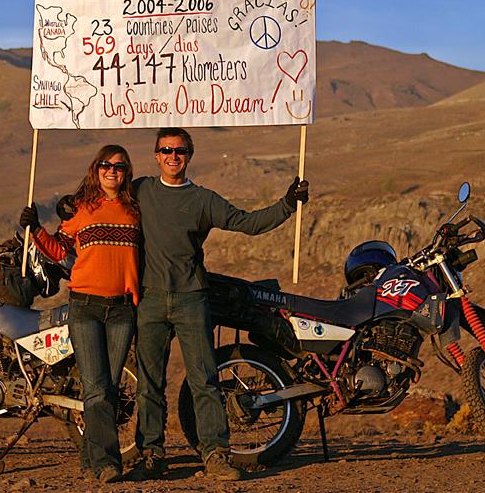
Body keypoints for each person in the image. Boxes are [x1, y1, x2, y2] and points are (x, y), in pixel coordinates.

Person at [131, 127, 309, 481]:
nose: (172, 157)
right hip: (150, 299)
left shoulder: (203, 200)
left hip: (192, 298)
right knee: (149, 382)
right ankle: (151, 454)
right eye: (166, 150)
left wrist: (288, 204)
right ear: (156, 155)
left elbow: (247, 223)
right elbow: (102, 200)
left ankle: (215, 454)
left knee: (205, 379)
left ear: (189, 155)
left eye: (180, 151)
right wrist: (69, 209)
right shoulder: (141, 190)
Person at [19, 144, 141, 484]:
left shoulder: (136, 210)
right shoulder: (83, 210)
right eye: (106, 165)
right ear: (96, 169)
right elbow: (60, 249)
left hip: (121, 309)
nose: (112, 171)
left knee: (109, 388)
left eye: (119, 166)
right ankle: (107, 463)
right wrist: (37, 230)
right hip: (85, 306)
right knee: (96, 387)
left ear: (126, 172)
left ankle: (90, 461)